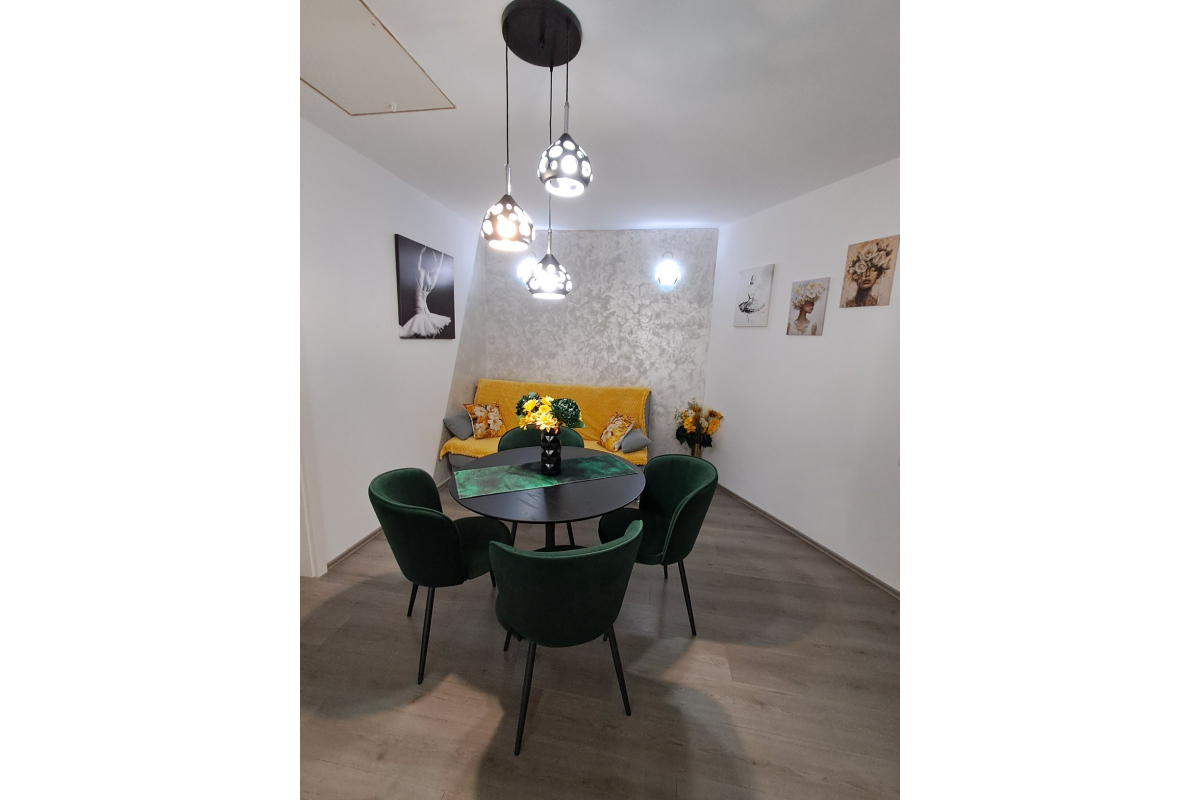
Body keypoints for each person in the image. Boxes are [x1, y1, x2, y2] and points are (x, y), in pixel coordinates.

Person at [399, 246, 452, 338]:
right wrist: (442, 254)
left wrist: (421, 253)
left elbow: (418, 264)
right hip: (427, 312)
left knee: (419, 337)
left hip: (419, 310)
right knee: (429, 336)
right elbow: (438, 267)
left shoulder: (420, 273)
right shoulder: (432, 279)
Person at [843, 240, 896, 307]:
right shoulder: (847, 304)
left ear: (878, 274)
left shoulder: (878, 303)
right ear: (855, 274)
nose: (867, 274)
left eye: (873, 269)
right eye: (863, 269)